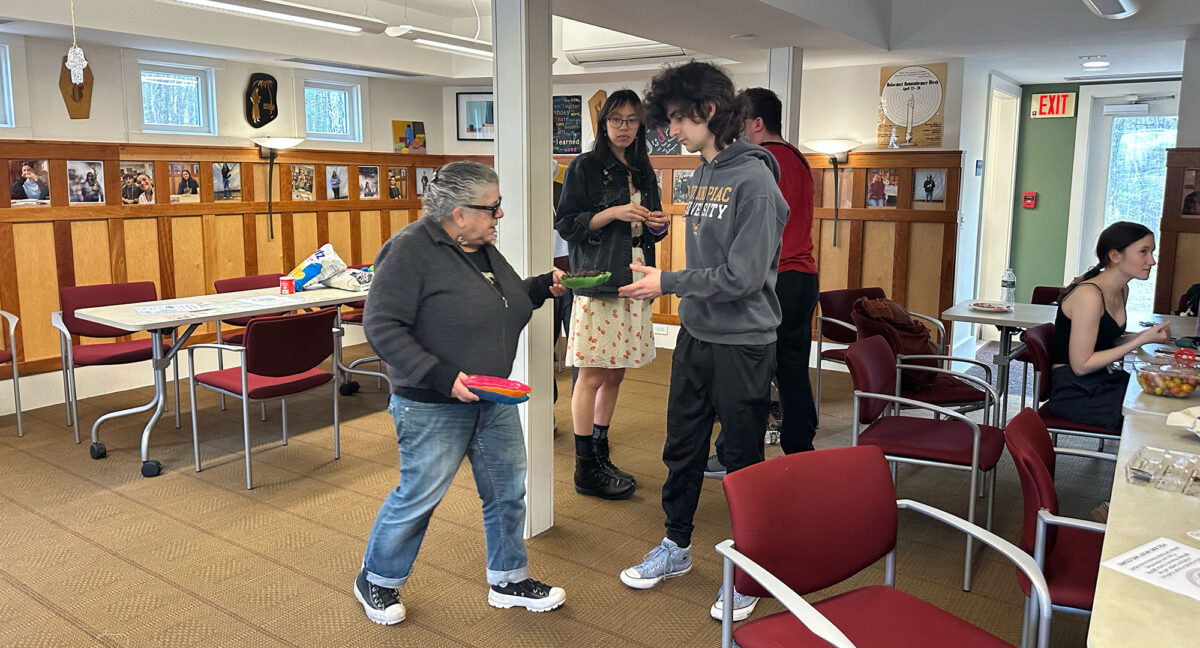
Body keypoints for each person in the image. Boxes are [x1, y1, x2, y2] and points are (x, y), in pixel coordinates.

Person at [355, 161, 568, 626]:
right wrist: (440, 375)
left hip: (492, 398)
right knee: (419, 496)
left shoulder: (481, 248)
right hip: (432, 402)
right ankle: (377, 578)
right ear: (459, 213)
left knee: (507, 492)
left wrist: (539, 288)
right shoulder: (410, 249)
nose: (500, 214)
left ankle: (508, 579)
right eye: (493, 207)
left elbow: (500, 300)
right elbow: (381, 325)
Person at [617, 62, 788, 623]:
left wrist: (666, 282)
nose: (671, 131)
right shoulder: (704, 172)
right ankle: (676, 545)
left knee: (741, 459)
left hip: (743, 343)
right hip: (697, 335)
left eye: (678, 119)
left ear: (709, 111)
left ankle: (752, 569)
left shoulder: (756, 184)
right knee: (683, 447)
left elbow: (743, 277)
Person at [555, 89, 669, 500]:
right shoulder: (584, 166)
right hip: (600, 280)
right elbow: (567, 224)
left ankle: (601, 452)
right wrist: (612, 213)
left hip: (637, 277)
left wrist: (657, 224)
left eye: (631, 120)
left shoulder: (643, 168)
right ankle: (585, 465)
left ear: (640, 126)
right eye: (616, 119)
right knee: (592, 373)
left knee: (617, 371)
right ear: (603, 124)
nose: (623, 127)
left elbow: (655, 230)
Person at [701, 87, 817, 475]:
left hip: (775, 280)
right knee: (793, 371)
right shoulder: (799, 159)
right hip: (804, 279)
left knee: (748, 373)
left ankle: (732, 455)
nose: (734, 133)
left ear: (756, 123)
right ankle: (800, 453)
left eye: (739, 123)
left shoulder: (760, 165)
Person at [1044, 221, 1171, 431]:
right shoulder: (1089, 296)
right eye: (1143, 252)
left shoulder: (1122, 289)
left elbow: (1106, 342)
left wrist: (1147, 335)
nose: (1152, 261)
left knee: (1163, 398)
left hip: (1101, 378)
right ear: (1115, 256)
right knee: (1151, 416)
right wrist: (1140, 340)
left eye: (1152, 252)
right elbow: (1081, 365)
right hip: (1074, 391)